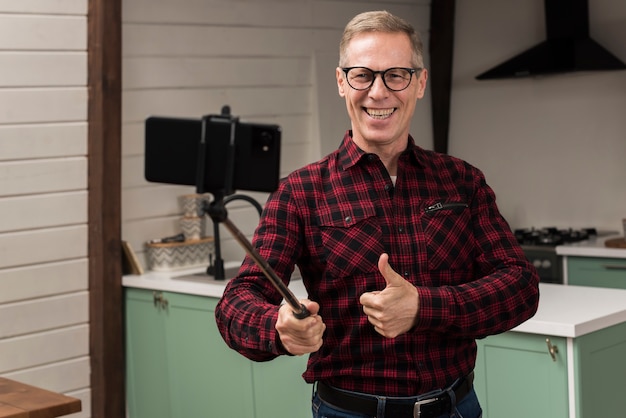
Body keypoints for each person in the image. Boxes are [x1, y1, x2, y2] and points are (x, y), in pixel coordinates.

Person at [215, 10, 540, 418]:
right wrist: (278, 328)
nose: (379, 92)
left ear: (419, 83)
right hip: (348, 411)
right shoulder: (301, 191)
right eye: (363, 75)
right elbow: (235, 304)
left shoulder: (462, 181)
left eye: (396, 75)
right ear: (341, 82)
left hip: (455, 407)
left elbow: (521, 287)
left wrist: (423, 306)